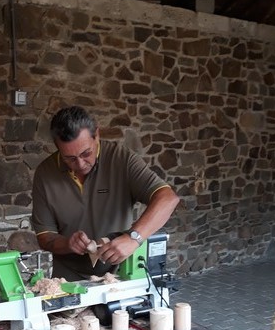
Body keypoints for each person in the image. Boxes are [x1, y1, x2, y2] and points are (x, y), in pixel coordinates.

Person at [31, 106, 180, 280]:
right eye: (69, 158)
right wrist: (68, 243)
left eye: (86, 153)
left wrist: (133, 238)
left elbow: (167, 198)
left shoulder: (121, 159)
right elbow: (45, 237)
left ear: (97, 135)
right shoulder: (45, 173)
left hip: (120, 275)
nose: (80, 164)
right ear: (57, 148)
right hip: (68, 280)